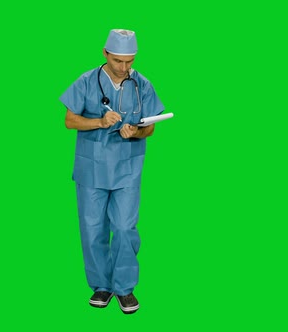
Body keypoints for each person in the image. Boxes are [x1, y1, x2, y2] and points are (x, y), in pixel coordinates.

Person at [59, 29, 165, 314]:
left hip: (127, 168)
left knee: (124, 228)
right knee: (92, 229)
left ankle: (125, 288)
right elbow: (70, 121)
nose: (124, 68)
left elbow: (151, 126)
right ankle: (101, 286)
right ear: (105, 53)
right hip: (91, 168)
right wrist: (100, 122)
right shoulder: (86, 81)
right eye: (118, 61)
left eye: (129, 61)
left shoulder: (142, 84)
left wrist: (136, 131)